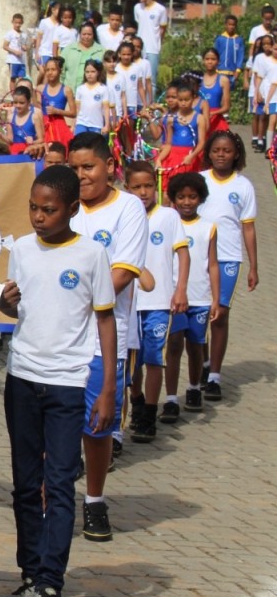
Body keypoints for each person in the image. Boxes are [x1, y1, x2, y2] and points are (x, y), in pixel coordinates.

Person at [0, 165, 116, 597]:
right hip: (21, 378)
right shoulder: (21, 250)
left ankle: (50, 588)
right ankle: (28, 577)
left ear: (72, 209)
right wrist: (6, 304)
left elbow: (104, 321)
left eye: (49, 210)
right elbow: (19, 309)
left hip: (68, 383)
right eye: (33, 207)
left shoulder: (91, 255)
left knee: (60, 484)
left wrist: (106, 388)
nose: (38, 217)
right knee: (25, 484)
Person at [67, 132, 147, 541]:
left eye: (88, 167)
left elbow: (123, 272)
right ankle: (55, 498)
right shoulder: (63, 205)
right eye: (74, 168)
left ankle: (95, 500)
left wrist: (69, 296)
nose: (81, 176)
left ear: (109, 166)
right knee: (55, 424)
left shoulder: (129, 208)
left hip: (103, 338)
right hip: (56, 338)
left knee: (97, 427)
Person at [125, 161, 188, 441]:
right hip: (129, 303)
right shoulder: (124, 216)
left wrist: (180, 289)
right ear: (127, 188)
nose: (143, 192)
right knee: (131, 364)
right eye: (136, 186)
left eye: (148, 185)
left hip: (159, 303)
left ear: (157, 186)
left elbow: (183, 255)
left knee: (154, 359)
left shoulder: (168, 217)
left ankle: (149, 414)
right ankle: (136, 400)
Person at [196, 130, 258, 401]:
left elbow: (249, 228)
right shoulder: (199, 181)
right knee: (200, 315)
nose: (221, 155)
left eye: (227, 151)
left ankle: (215, 377)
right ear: (208, 153)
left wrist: (254, 266)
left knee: (219, 315)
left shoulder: (243, 186)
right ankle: (204, 362)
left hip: (228, 258)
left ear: (236, 155)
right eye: (216, 150)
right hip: (199, 256)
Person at [162, 172, 219, 418]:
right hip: (174, 298)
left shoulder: (209, 228)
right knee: (173, 345)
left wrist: (216, 299)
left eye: (192, 197)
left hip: (200, 298)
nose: (187, 202)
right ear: (173, 198)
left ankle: (194, 387)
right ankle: (172, 398)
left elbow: (213, 265)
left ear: (201, 198)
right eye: (181, 197)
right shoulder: (169, 224)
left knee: (196, 345)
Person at [153, 80, 208, 188]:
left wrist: (192, 156)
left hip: (189, 156)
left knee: (188, 188)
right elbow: (169, 144)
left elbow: (202, 142)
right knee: (168, 190)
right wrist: (159, 159)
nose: (183, 103)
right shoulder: (171, 119)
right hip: (173, 156)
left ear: (193, 99)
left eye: (187, 100)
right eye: (180, 100)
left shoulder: (200, 118)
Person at [134, 0, 168, 83]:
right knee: (138, 78)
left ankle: (151, 98)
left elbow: (162, 29)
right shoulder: (137, 8)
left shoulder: (160, 9)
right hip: (139, 48)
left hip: (153, 49)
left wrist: (157, 43)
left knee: (151, 79)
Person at [38, 57, 75, 145]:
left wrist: (57, 111)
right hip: (44, 125)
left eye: (53, 69)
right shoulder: (40, 89)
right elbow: (37, 109)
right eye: (47, 70)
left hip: (59, 125)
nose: (50, 72)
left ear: (60, 71)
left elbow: (73, 113)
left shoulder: (66, 90)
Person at [71, 60, 112, 136]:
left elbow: (106, 108)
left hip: (96, 124)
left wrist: (107, 125)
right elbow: (77, 109)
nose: (90, 74)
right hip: (81, 123)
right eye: (87, 72)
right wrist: (73, 125)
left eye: (93, 72)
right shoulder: (80, 88)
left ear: (98, 73)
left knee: (93, 146)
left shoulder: (103, 88)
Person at [249, 34, 274, 152]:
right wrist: (257, 91)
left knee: (272, 118)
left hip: (274, 92)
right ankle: (260, 140)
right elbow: (257, 76)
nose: (266, 46)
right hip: (263, 90)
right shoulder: (260, 57)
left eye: (269, 43)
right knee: (261, 116)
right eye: (264, 44)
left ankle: (269, 140)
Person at [61, 23, 105, 92]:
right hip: (70, 93)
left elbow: (105, 73)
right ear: (80, 34)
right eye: (84, 34)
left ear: (94, 35)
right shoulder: (69, 49)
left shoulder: (101, 51)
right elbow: (61, 70)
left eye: (89, 34)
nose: (86, 37)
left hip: (94, 93)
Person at [199, 48, 232, 135]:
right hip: (200, 117)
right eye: (207, 59)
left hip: (216, 119)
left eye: (213, 59)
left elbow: (226, 107)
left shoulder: (223, 80)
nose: (210, 62)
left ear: (218, 61)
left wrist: (212, 113)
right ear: (203, 61)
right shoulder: (198, 79)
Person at [215, 14, 246, 90]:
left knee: (228, 95)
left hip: (233, 73)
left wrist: (238, 70)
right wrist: (215, 69)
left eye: (233, 25)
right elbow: (215, 54)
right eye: (229, 24)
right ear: (225, 25)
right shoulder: (220, 38)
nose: (231, 27)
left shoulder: (239, 40)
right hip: (220, 71)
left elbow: (240, 55)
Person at [3, 13, 29, 89]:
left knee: (21, 79)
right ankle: (13, 95)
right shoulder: (10, 33)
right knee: (13, 78)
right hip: (13, 60)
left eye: (19, 23)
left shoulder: (23, 34)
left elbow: (24, 45)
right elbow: (5, 46)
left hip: (21, 61)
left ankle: (19, 93)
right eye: (16, 23)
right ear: (12, 22)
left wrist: (25, 47)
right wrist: (15, 52)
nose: (17, 25)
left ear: (22, 23)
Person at [33, 2, 61, 70]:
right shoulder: (44, 22)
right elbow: (39, 38)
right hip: (44, 52)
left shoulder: (60, 24)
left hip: (55, 54)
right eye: (59, 11)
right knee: (43, 72)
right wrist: (37, 53)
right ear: (53, 10)